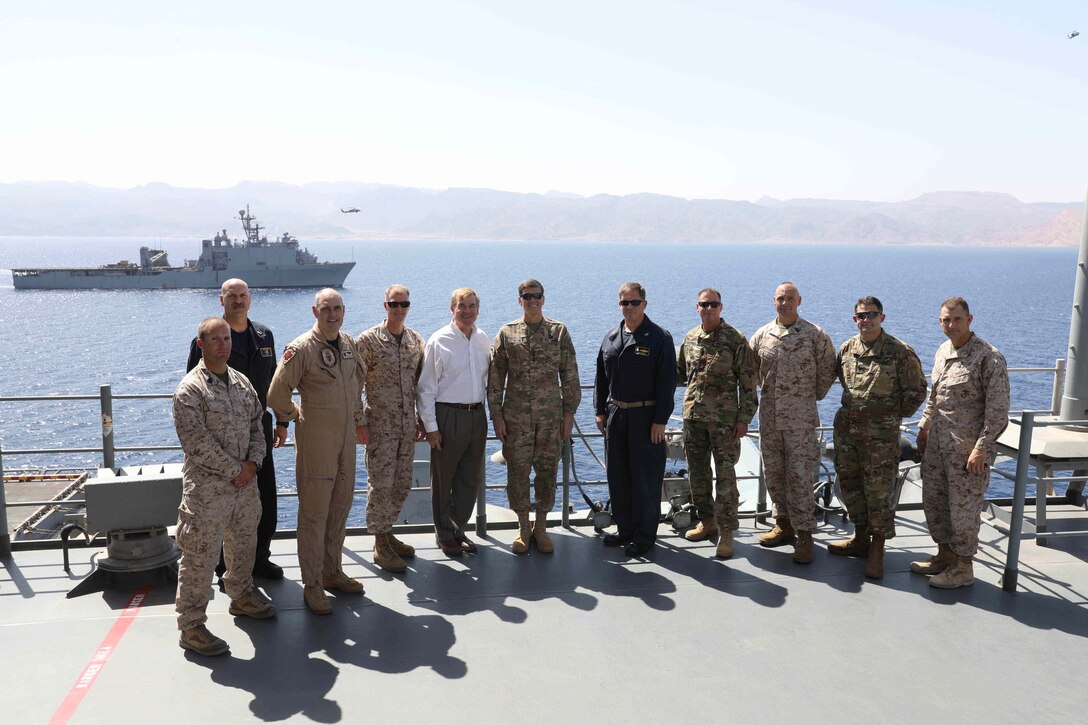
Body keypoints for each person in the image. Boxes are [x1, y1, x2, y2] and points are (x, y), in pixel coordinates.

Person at [173, 317, 277, 657]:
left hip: (245, 488)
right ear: (201, 345)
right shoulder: (191, 390)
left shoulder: (242, 382)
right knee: (200, 557)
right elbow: (196, 443)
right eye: (215, 340)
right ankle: (192, 626)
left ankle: (242, 595)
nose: (223, 345)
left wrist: (254, 464)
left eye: (227, 339)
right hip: (207, 492)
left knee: (244, 544)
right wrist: (238, 469)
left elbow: (257, 426)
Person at [267, 289, 365, 614]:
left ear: (343, 310)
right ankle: (313, 586)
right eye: (326, 308)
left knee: (339, 508)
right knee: (314, 516)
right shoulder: (301, 349)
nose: (333, 314)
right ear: (315, 311)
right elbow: (276, 393)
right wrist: (296, 415)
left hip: (346, 442)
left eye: (337, 308)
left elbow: (358, 380)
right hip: (316, 444)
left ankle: (332, 571)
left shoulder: (348, 344)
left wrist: (356, 415)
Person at [186, 278, 282, 582]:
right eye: (232, 296)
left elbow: (275, 381)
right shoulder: (210, 337)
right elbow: (194, 384)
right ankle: (226, 567)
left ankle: (260, 558)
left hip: (259, 429)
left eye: (243, 295)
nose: (238, 301)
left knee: (264, 497)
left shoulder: (264, 335)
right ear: (222, 300)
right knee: (224, 501)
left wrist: (282, 420)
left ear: (250, 299)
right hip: (222, 432)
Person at [912, 297, 1009, 588]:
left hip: (967, 454)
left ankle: (963, 567)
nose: (950, 325)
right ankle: (945, 554)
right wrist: (924, 428)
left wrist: (981, 449)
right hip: (937, 448)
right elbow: (935, 396)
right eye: (945, 320)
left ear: (969, 319)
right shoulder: (943, 351)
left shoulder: (988, 358)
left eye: (956, 319)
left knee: (964, 510)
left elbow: (998, 412)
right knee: (935, 503)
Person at [831, 296, 927, 579]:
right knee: (850, 485)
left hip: (880, 438)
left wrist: (888, 416)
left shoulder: (899, 352)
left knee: (879, 492)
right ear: (855, 319)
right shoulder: (847, 349)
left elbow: (917, 390)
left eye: (872, 315)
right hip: (848, 431)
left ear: (882, 318)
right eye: (861, 315)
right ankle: (860, 538)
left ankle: (877, 548)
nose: (867, 320)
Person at [488, 279, 581, 554]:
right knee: (517, 473)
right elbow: (495, 378)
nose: (532, 301)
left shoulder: (558, 332)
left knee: (547, 472)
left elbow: (570, 375)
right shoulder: (507, 333)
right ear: (520, 300)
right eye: (527, 296)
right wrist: (496, 415)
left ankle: (541, 527)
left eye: (536, 296)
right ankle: (523, 527)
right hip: (515, 419)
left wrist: (568, 414)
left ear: (543, 298)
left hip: (551, 418)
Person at [750, 282, 837, 564]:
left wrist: (806, 398)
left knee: (800, 477)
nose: (784, 303)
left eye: (789, 299)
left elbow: (827, 372)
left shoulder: (814, 335)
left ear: (799, 301)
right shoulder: (763, 335)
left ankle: (805, 535)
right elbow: (750, 371)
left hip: (800, 421)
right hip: (770, 419)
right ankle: (783, 523)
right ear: (773, 301)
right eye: (780, 299)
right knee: (774, 472)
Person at [594, 282, 677, 557]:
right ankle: (625, 529)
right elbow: (601, 379)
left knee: (645, 480)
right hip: (616, 416)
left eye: (634, 302)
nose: (629, 307)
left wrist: (660, 420)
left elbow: (667, 383)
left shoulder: (659, 338)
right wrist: (600, 411)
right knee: (618, 476)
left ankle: (644, 536)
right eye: (624, 303)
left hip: (646, 417)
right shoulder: (611, 337)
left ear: (645, 303)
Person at [676, 288, 758, 559]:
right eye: (704, 304)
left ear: (721, 308)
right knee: (697, 474)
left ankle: (726, 531)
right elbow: (678, 374)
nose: (709, 308)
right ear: (696, 307)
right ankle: (707, 521)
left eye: (714, 304)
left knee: (725, 478)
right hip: (694, 420)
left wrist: (744, 419)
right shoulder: (690, 338)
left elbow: (748, 385)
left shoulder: (735, 340)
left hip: (724, 424)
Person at [355, 284, 426, 573]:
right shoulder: (368, 341)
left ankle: (387, 532)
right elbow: (354, 386)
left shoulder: (415, 341)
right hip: (379, 426)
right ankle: (380, 543)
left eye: (404, 304)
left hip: (407, 426)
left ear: (409, 306)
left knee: (402, 484)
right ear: (385, 306)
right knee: (380, 485)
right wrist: (359, 423)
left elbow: (421, 385)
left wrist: (422, 418)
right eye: (394, 304)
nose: (399, 309)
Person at [417, 288, 490, 558]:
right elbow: (425, 388)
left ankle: (458, 530)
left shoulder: (482, 339)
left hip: (476, 415)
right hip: (448, 416)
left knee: (469, 479)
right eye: (462, 306)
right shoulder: (439, 340)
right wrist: (432, 428)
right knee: (443, 479)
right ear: (452, 309)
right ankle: (444, 534)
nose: (467, 311)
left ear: (478, 309)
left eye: (472, 305)